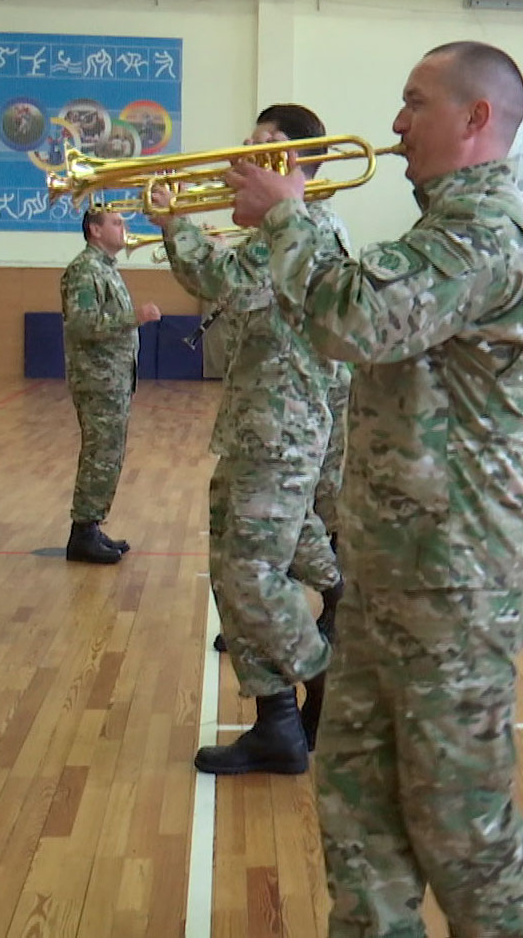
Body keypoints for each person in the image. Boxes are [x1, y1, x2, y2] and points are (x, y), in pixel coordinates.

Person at [224, 41, 523, 936]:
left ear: (476, 118)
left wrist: (290, 217)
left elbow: (355, 319)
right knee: (359, 811)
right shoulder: (437, 229)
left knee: (462, 829)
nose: (397, 122)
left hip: (455, 579)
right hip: (396, 569)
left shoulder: (483, 232)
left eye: (415, 102)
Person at [158, 103, 351, 777]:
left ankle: (328, 683)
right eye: (251, 137)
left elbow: (230, 288)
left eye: (269, 142)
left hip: (283, 427)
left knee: (252, 575)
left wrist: (173, 223)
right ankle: (274, 721)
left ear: (305, 160)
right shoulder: (271, 231)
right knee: (231, 573)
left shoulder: (310, 227)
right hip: (253, 422)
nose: (248, 147)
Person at [60, 207, 160, 563]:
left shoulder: (105, 269)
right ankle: (82, 532)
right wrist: (134, 316)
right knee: (99, 455)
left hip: (113, 379)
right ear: (95, 230)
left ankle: (91, 525)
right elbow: (82, 324)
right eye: (116, 223)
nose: (124, 228)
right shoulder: (85, 270)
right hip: (97, 379)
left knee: (109, 455)